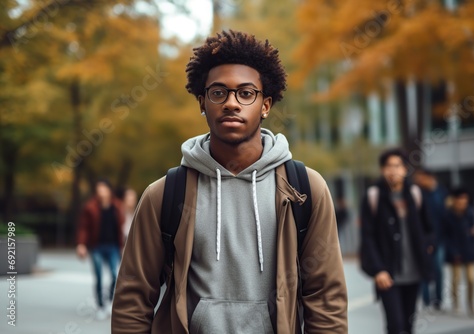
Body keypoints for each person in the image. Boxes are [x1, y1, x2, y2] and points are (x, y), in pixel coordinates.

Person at [111, 30, 348, 333]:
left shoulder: (304, 189)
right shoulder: (165, 194)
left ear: (265, 105)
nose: (231, 104)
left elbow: (325, 296)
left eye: (246, 93)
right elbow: (133, 298)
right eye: (218, 92)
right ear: (202, 102)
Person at [360, 148, 434, 334]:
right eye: (388, 166)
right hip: (388, 274)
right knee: (395, 325)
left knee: (409, 326)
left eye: (397, 166)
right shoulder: (373, 197)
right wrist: (378, 270)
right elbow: (367, 237)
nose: (392, 170)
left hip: (414, 271)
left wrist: (427, 248)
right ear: (382, 169)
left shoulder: (416, 194)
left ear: (405, 169)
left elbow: (430, 227)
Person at [76, 178, 124, 320]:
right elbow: (83, 228)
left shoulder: (117, 207)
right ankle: (100, 306)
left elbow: (122, 229)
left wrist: (123, 246)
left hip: (113, 247)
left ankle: (109, 301)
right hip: (96, 247)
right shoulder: (90, 207)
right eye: (99, 189)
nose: (101, 192)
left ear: (109, 190)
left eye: (103, 189)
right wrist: (81, 244)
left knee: (115, 275)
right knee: (98, 276)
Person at [413, 168, 448, 312]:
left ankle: (438, 300)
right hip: (423, 240)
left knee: (438, 269)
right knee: (424, 269)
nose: (418, 182)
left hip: (439, 239)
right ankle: (426, 299)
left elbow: (446, 217)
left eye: (420, 178)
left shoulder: (442, 193)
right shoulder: (419, 194)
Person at [444, 188, 474, 316]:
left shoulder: (470, 213)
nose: (463, 202)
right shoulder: (448, 215)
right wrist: (453, 251)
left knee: (471, 278)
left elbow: (473, 231)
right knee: (456, 280)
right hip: (455, 252)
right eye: (461, 199)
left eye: (465, 199)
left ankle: (470, 303)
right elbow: (446, 236)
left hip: (469, 250)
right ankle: (456, 303)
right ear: (455, 200)